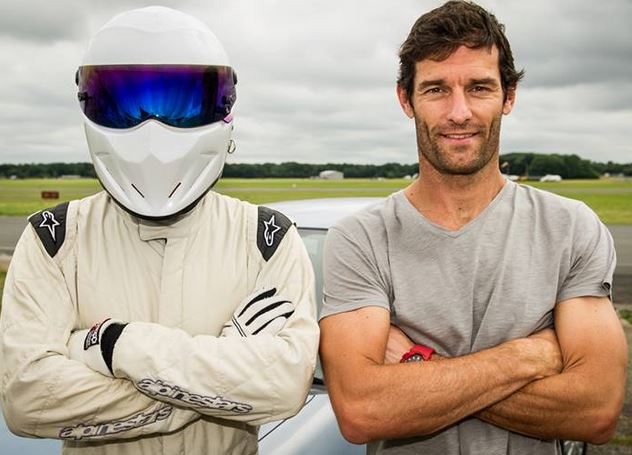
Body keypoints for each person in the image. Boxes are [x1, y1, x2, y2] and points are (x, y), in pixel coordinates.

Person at [0, 6, 319, 454]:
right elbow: (26, 399)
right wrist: (217, 388)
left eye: (182, 104)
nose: (153, 127)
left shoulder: (266, 238)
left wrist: (112, 346)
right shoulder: (55, 237)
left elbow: (285, 385)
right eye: (127, 103)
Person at [319, 1, 627, 454]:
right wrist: (529, 356)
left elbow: (597, 409)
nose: (459, 112)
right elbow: (364, 410)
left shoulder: (570, 227)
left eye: (479, 87)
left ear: (509, 96)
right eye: (437, 89)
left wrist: (414, 363)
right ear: (406, 99)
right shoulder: (361, 238)